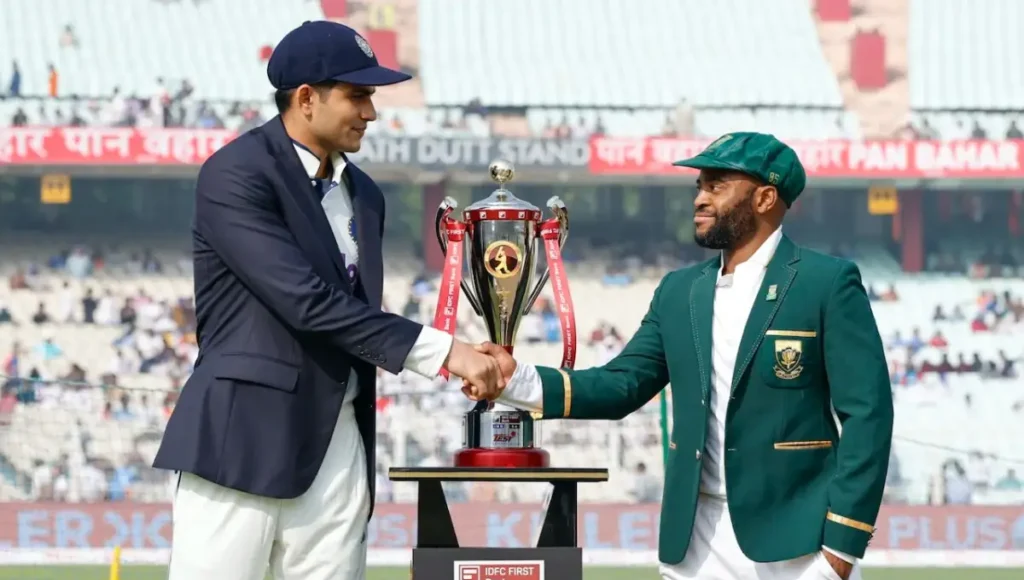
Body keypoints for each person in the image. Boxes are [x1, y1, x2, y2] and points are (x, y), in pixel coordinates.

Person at [153, 21, 503, 580]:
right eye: (358, 95)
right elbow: (306, 302)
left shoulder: (366, 193)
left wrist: (465, 350)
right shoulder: (235, 173)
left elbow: (356, 311)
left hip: (340, 438)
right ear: (307, 99)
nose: (371, 111)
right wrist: (447, 353)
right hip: (240, 439)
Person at [481, 133, 894, 580]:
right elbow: (621, 384)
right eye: (698, 186)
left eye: (717, 186)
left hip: (796, 547)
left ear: (765, 198)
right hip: (693, 547)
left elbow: (868, 415)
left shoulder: (826, 282)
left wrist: (840, 552)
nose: (699, 198)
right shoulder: (678, 291)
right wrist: (514, 379)